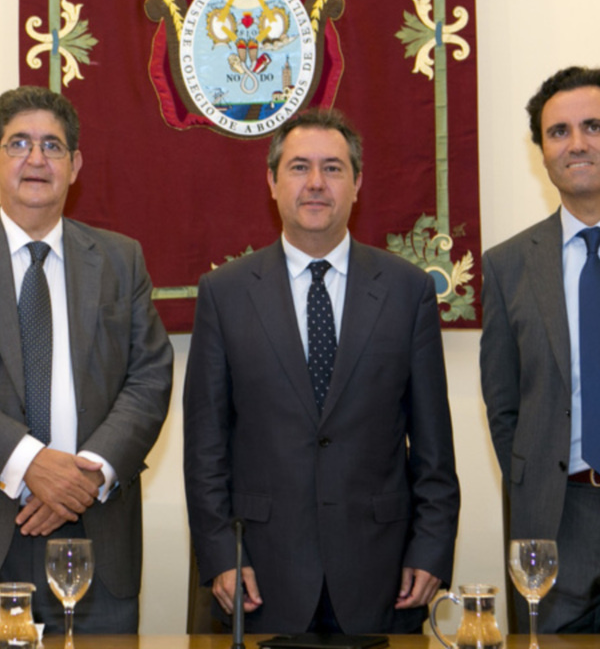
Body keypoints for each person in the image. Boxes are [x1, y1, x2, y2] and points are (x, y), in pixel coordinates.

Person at [184, 108, 459, 634]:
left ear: (357, 183)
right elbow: (206, 446)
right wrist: (220, 552)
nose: (315, 183)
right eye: (298, 167)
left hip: (383, 573)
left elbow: (434, 446)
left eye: (333, 168)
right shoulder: (224, 292)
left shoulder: (408, 291)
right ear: (271, 181)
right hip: (259, 572)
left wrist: (431, 549)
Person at [0, 86, 173, 633]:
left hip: (98, 538)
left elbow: (150, 378)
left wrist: (85, 474)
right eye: (18, 143)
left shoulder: (122, 258)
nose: (35, 159)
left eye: (52, 146)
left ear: (74, 166)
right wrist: (29, 462)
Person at [481, 66, 600, 633]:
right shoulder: (508, 266)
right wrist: (534, 487)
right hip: (557, 521)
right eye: (559, 132)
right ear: (542, 152)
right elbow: (503, 404)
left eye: (593, 126)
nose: (576, 143)